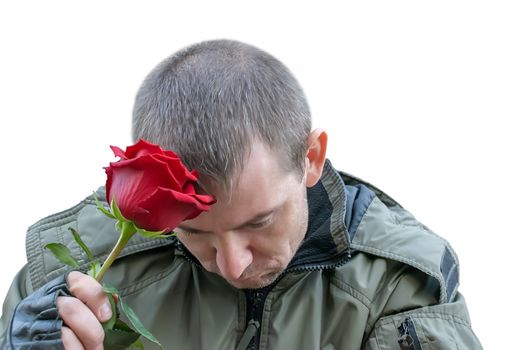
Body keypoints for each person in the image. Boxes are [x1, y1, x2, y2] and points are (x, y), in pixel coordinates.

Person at [0, 39, 482, 349]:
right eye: (194, 230)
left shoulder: (397, 288)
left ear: (310, 158)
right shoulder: (67, 281)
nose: (232, 264)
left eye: (258, 222)